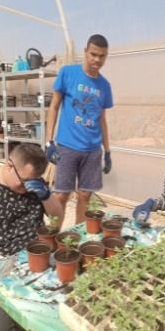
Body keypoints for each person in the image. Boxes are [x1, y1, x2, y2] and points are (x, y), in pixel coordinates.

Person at [0, 142, 67, 331]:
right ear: (9, 165)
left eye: (34, 181)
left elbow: (55, 224)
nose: (28, 188)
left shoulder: (34, 185)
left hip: (39, 261)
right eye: (25, 181)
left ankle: (43, 330)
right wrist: (10, 267)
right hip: (2, 268)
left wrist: (46, 196)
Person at [44, 35, 113, 226]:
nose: (97, 60)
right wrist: (49, 142)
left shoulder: (105, 86)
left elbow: (102, 119)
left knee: (85, 195)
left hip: (92, 150)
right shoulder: (68, 73)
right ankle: (53, 238)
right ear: (85, 51)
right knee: (61, 196)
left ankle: (76, 239)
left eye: (102, 56)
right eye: (93, 54)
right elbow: (54, 106)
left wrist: (107, 151)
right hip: (68, 146)